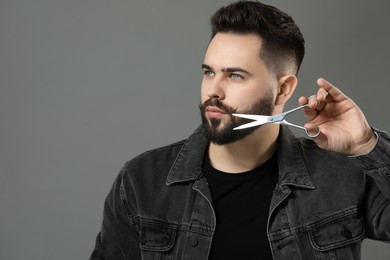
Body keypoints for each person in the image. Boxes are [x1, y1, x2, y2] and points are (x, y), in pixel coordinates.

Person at [90, 1, 390, 259]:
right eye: (209, 72)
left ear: (283, 89)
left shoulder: (341, 176)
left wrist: (366, 144)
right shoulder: (142, 181)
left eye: (235, 75)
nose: (213, 91)